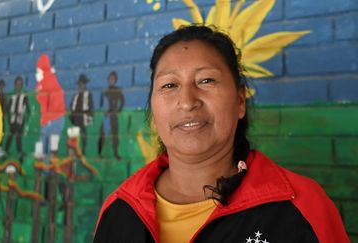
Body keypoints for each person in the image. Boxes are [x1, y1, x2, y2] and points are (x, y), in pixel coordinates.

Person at [93, 26, 348, 243]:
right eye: (169, 85)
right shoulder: (119, 210)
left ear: (240, 102)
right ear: (153, 110)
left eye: (206, 81)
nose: (187, 101)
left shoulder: (302, 206)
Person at [36, 54, 65, 163]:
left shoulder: (46, 81)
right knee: (52, 149)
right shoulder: (50, 79)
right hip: (56, 119)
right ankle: (49, 172)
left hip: (51, 120)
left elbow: (42, 99)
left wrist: (39, 86)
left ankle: (45, 172)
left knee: (44, 148)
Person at [97, 71, 125, 160]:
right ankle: (99, 153)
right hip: (106, 116)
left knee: (115, 135)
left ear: (115, 80)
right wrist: (103, 111)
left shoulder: (117, 91)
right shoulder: (105, 91)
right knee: (102, 135)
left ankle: (116, 153)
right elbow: (101, 104)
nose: (111, 80)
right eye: (110, 79)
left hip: (113, 116)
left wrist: (117, 111)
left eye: (112, 79)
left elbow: (122, 102)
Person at [4, 76, 30, 162]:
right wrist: (8, 116)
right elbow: (8, 108)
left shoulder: (24, 96)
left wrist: (26, 117)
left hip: (20, 119)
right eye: (17, 84)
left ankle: (19, 154)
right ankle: (6, 151)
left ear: (22, 86)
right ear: (15, 85)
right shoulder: (12, 96)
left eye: (20, 84)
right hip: (12, 119)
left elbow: (28, 108)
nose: (18, 86)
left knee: (18, 137)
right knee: (10, 136)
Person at [69, 74, 94, 154]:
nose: (81, 85)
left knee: (83, 133)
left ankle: (83, 150)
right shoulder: (75, 95)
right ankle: (74, 151)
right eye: (80, 84)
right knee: (74, 135)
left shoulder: (88, 94)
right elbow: (72, 106)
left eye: (83, 83)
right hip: (76, 117)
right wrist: (72, 116)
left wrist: (89, 115)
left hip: (84, 117)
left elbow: (91, 106)